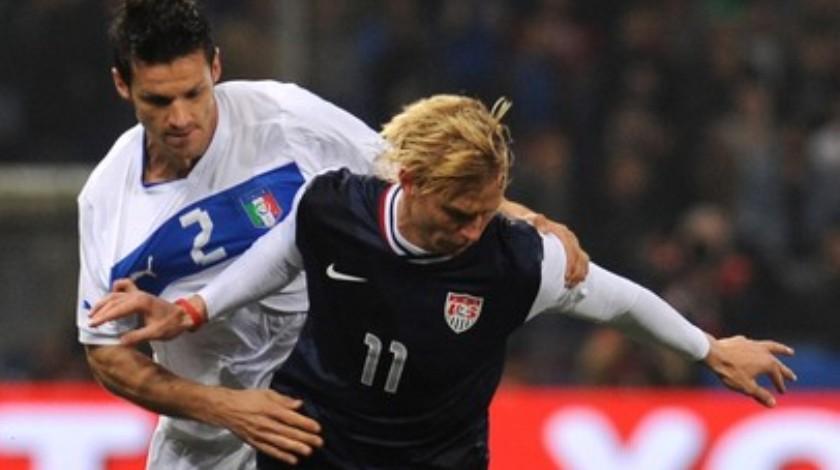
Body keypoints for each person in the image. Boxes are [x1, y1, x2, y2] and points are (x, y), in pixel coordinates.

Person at [90, 94, 797, 469]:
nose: (473, 230)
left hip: (436, 459)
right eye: (460, 215)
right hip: (315, 445)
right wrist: (194, 308)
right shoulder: (334, 206)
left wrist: (710, 349)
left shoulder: (515, 260)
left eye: (488, 212)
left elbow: (618, 300)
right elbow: (281, 254)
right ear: (410, 180)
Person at [76, 1, 590, 468]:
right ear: (122, 84)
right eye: (159, 100)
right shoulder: (107, 200)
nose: (181, 117)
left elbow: (412, 174)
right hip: (204, 441)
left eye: (193, 93)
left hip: (326, 421)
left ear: (215, 67)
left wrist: (521, 216)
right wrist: (227, 408)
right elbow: (106, 353)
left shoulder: (286, 119)